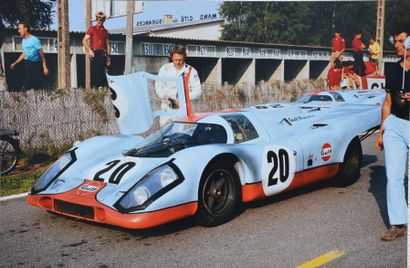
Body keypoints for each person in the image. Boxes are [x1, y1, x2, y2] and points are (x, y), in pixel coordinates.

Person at [375, 24, 409, 241]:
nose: (396, 45)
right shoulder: (393, 69)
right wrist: (382, 131)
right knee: (393, 176)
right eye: (395, 41)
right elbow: (387, 102)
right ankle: (398, 224)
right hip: (395, 125)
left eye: (400, 41)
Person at [155, 45, 202, 126]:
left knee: (181, 134)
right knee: (165, 134)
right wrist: (164, 96)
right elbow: (158, 86)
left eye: (180, 60)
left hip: (183, 109)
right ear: (171, 57)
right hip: (166, 108)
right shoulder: (165, 69)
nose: (178, 62)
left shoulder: (191, 71)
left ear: (184, 58)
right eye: (175, 60)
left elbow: (198, 92)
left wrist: (183, 98)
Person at [9, 22, 49, 90]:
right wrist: (15, 63)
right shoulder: (23, 41)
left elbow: (42, 54)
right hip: (27, 63)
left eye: (20, 29)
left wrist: (45, 67)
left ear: (25, 29)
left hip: (36, 64)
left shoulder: (34, 40)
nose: (19, 31)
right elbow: (24, 53)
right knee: (29, 82)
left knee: (29, 83)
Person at [82, 11, 111, 89]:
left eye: (100, 19)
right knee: (95, 73)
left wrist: (108, 57)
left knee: (103, 73)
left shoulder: (105, 31)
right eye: (97, 19)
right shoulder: (92, 29)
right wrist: (90, 50)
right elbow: (84, 41)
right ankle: (95, 90)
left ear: (103, 20)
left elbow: (108, 45)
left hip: (103, 54)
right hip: (95, 53)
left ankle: (103, 90)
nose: (99, 21)